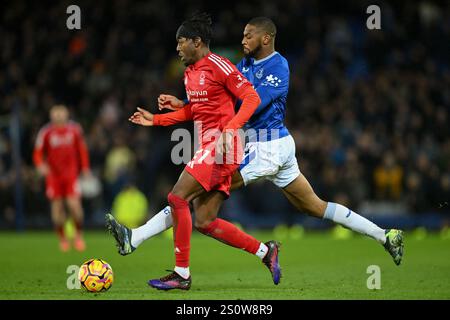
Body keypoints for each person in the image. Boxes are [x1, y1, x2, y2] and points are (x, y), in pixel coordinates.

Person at [110, 16, 404, 268]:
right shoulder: (245, 64)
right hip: (268, 146)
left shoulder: (279, 66)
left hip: (268, 146)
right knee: (316, 207)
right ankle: (385, 235)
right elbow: (221, 93)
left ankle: (136, 238)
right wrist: (185, 103)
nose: (243, 39)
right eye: (242, 35)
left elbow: (253, 102)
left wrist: (226, 124)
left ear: (266, 37)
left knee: (192, 193)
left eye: (248, 35)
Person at [106, 13, 281, 291]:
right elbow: (194, 110)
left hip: (223, 145)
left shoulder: (219, 65)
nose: (177, 48)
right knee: (205, 221)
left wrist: (229, 130)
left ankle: (180, 272)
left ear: (196, 42)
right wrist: (157, 119)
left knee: (177, 197)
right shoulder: (190, 73)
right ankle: (265, 251)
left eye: (181, 42)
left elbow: (251, 97)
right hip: (209, 145)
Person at [33, 104, 91, 252]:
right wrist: (40, 165)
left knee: (75, 207)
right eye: (56, 113)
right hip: (53, 176)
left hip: (71, 175)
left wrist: (85, 168)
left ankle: (78, 236)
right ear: (51, 116)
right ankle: (63, 238)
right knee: (57, 209)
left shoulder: (75, 130)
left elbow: (82, 149)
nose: (58, 116)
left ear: (66, 114)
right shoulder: (46, 132)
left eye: (61, 113)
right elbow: (38, 152)